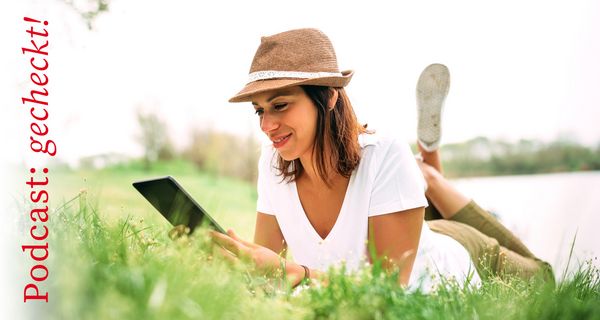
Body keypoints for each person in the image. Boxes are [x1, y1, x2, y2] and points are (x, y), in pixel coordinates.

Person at [209, 28, 554, 290]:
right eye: (259, 111)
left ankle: (428, 164)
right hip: (402, 225)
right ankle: (426, 172)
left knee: (544, 276)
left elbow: (387, 292)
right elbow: (264, 280)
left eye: (280, 105)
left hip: (457, 248)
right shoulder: (271, 166)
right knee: (414, 183)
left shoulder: (384, 153)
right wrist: (236, 263)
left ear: (328, 98)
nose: (267, 125)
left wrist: (292, 272)